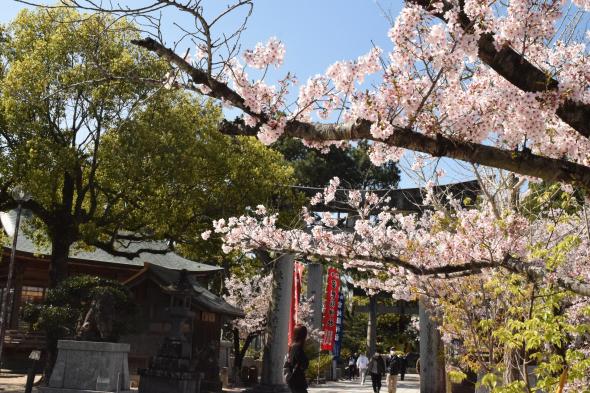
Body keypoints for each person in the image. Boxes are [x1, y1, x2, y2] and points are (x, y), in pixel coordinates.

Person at [286, 324, 309, 393]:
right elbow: (303, 363)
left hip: (293, 380)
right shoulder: (298, 347)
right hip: (298, 380)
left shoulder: (292, 346)